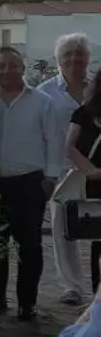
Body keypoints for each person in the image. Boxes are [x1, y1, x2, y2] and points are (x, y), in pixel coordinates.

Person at [0, 47, 63, 321]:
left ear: (22, 69)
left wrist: (51, 177)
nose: (7, 71)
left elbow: (54, 140)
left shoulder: (42, 101)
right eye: (1, 66)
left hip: (30, 183)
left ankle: (28, 303)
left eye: (12, 65)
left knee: (29, 246)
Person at [39, 33, 94, 305]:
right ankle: (71, 286)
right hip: (63, 172)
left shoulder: (99, 87)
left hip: (97, 169)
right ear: (58, 59)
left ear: (88, 57)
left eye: (79, 53)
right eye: (67, 54)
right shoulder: (45, 93)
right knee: (64, 229)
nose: (74, 59)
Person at [66, 70, 101, 292]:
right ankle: (98, 300)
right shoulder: (83, 113)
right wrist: (91, 171)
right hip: (95, 184)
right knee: (99, 242)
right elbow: (70, 146)